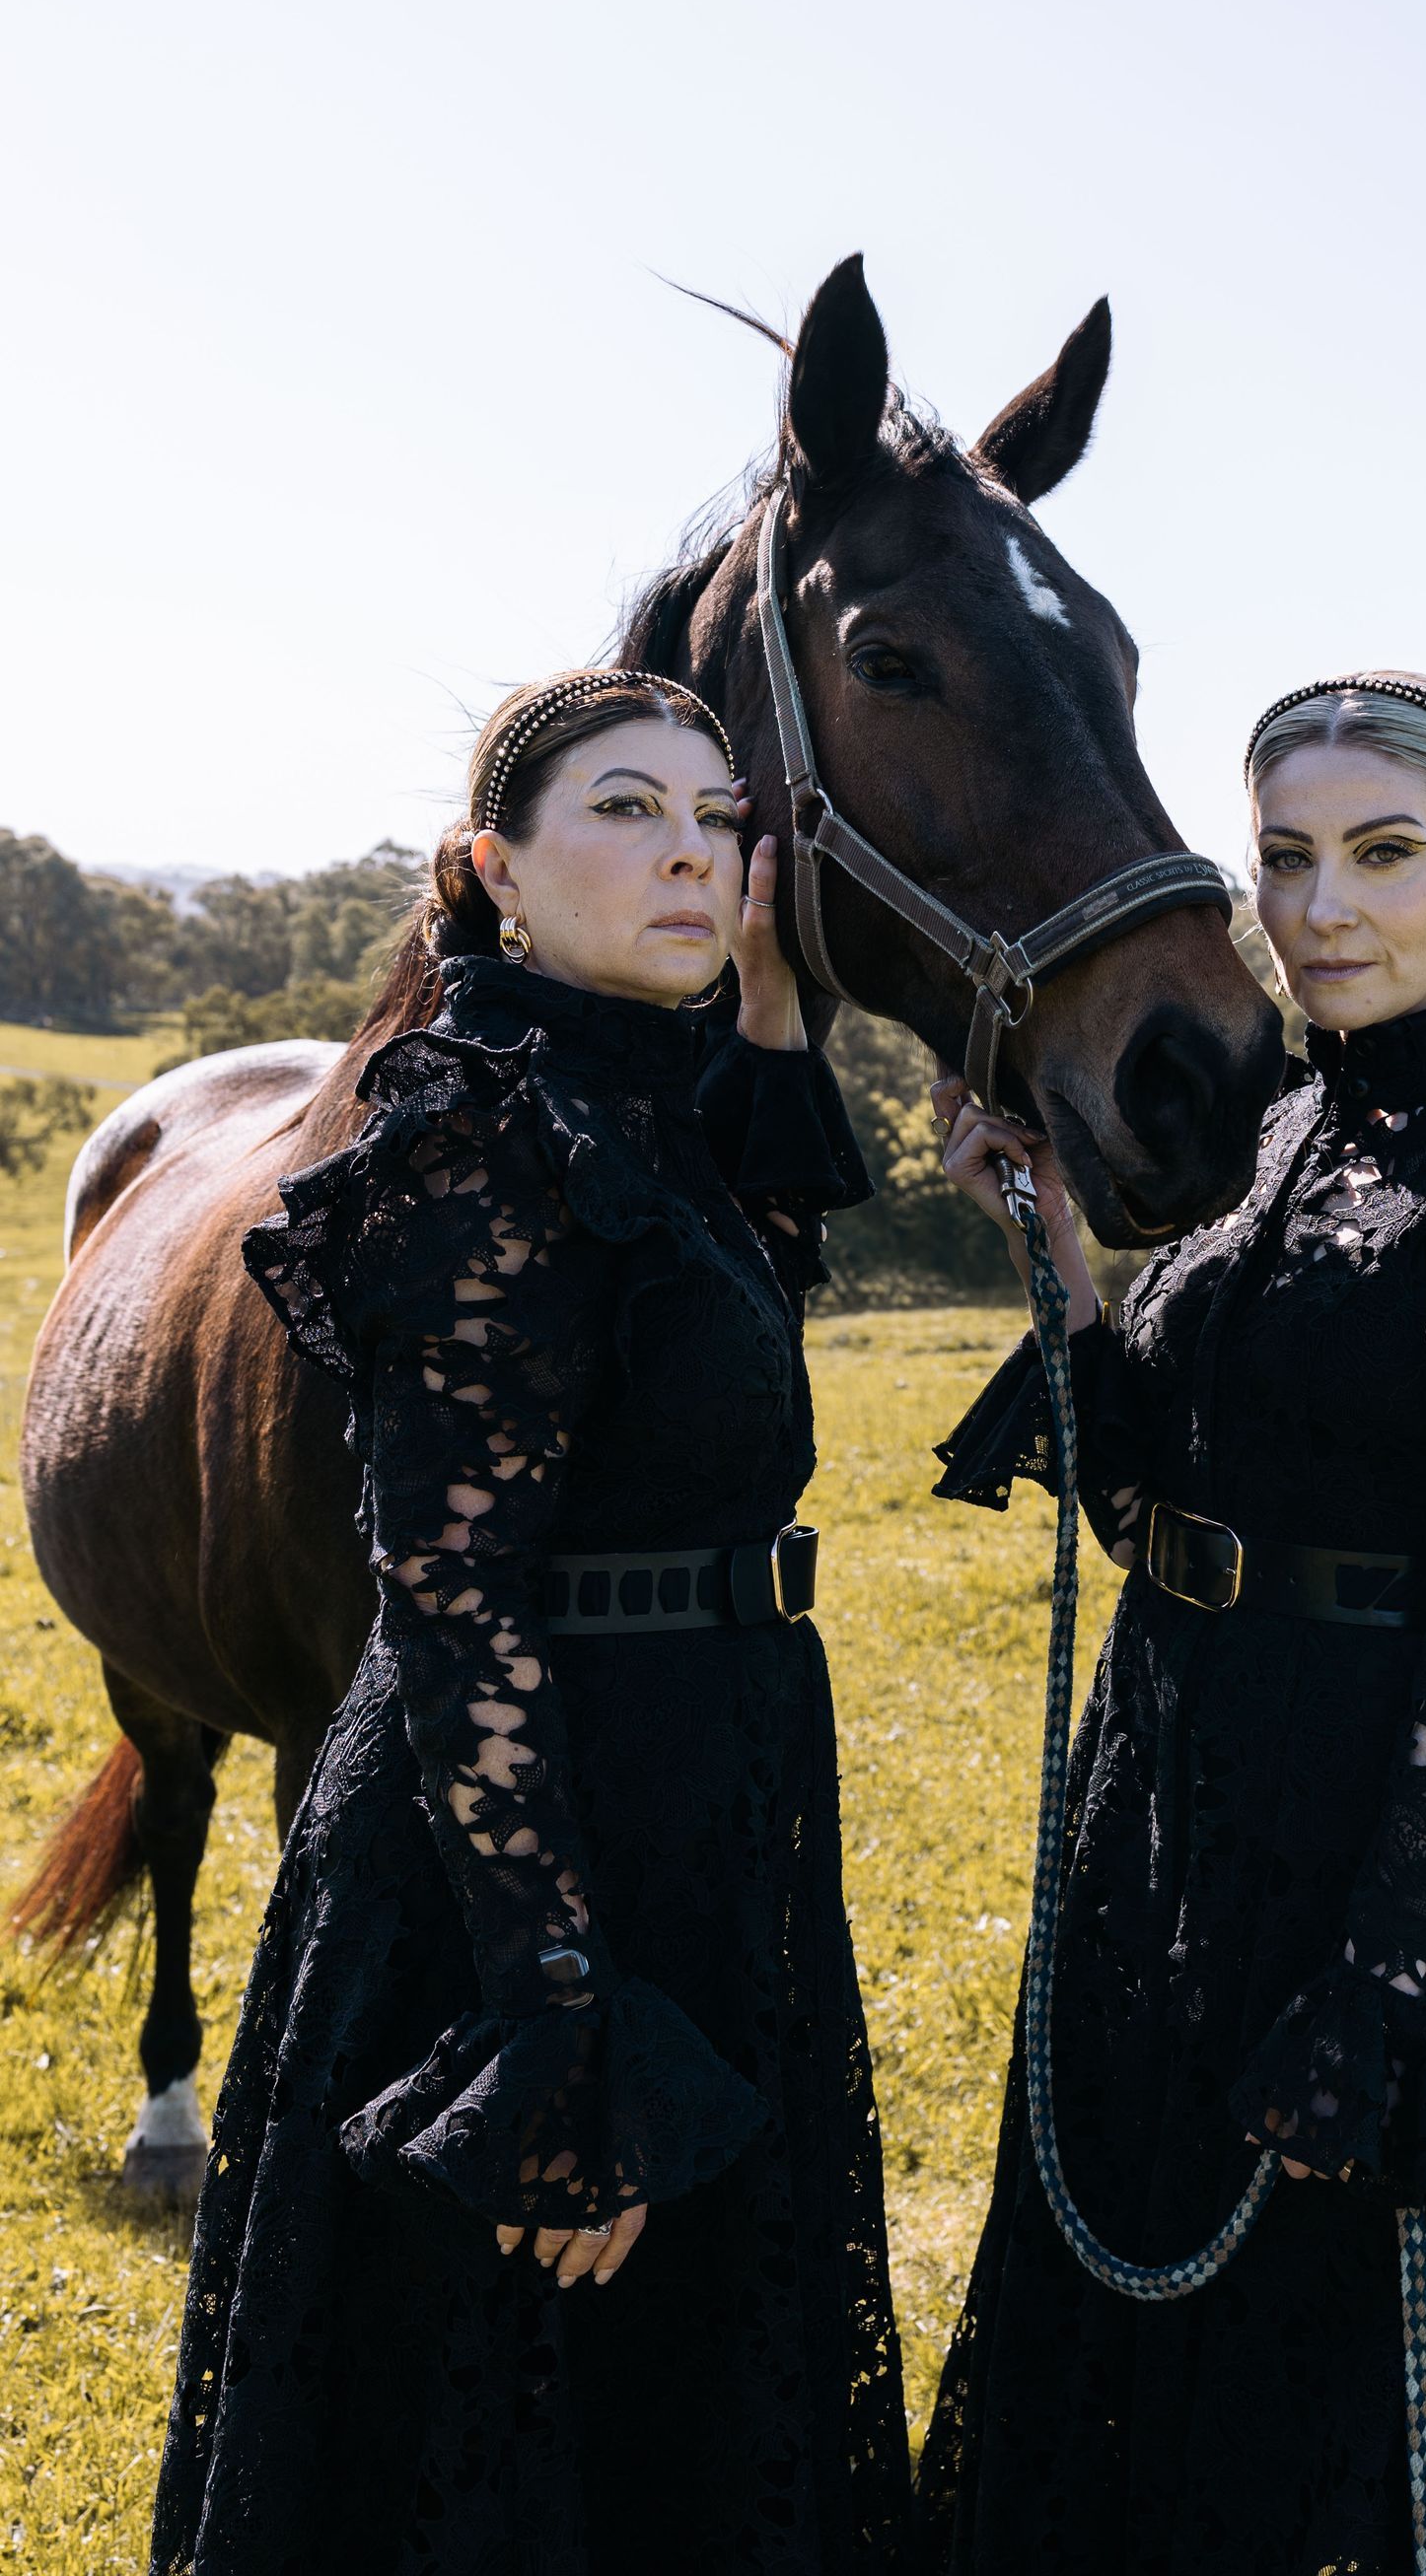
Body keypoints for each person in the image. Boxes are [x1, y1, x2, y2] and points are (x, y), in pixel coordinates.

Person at [918, 672, 1426, 2574]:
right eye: (1283, 859)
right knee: (1134, 2365)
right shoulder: (1257, 1140)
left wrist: (1377, 1992)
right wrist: (1076, 1269)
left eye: (1381, 854)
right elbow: (1140, 1516)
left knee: (1365, 2402)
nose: (1323, 907)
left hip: (1371, 1850)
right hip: (1158, 1809)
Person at [151, 670, 912, 2576]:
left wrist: (779, 1006)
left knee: (682, 2399)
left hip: (706, 1806)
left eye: (719, 821)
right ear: (492, 870)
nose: (691, 852)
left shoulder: (652, 1116)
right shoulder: (483, 1141)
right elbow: (451, 1598)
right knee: (503, 2412)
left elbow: (752, 1238)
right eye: (627, 811)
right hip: (537, 1850)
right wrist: (556, 2033)